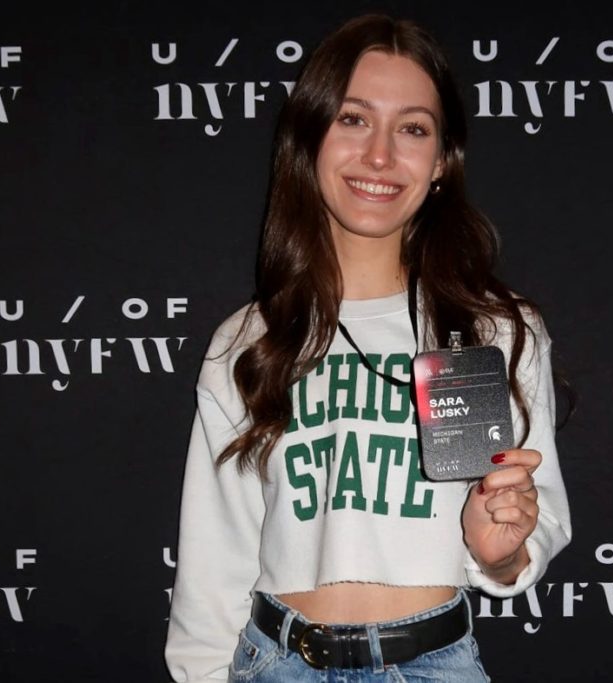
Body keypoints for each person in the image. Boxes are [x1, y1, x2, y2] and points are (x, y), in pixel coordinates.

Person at [165, 14, 571, 682]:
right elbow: (215, 558)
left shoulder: (492, 328)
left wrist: (498, 550)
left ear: (441, 160)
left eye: (412, 128)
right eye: (353, 119)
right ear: (311, 138)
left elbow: (536, 516)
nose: (380, 155)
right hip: (274, 663)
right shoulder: (248, 341)